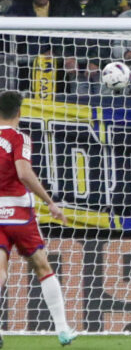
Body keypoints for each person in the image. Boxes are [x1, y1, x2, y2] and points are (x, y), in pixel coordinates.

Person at [0, 91, 77, 347]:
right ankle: (63, 329)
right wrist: (50, 201)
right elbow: (23, 172)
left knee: (0, 272)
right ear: (19, 113)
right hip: (19, 214)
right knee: (42, 266)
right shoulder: (19, 137)